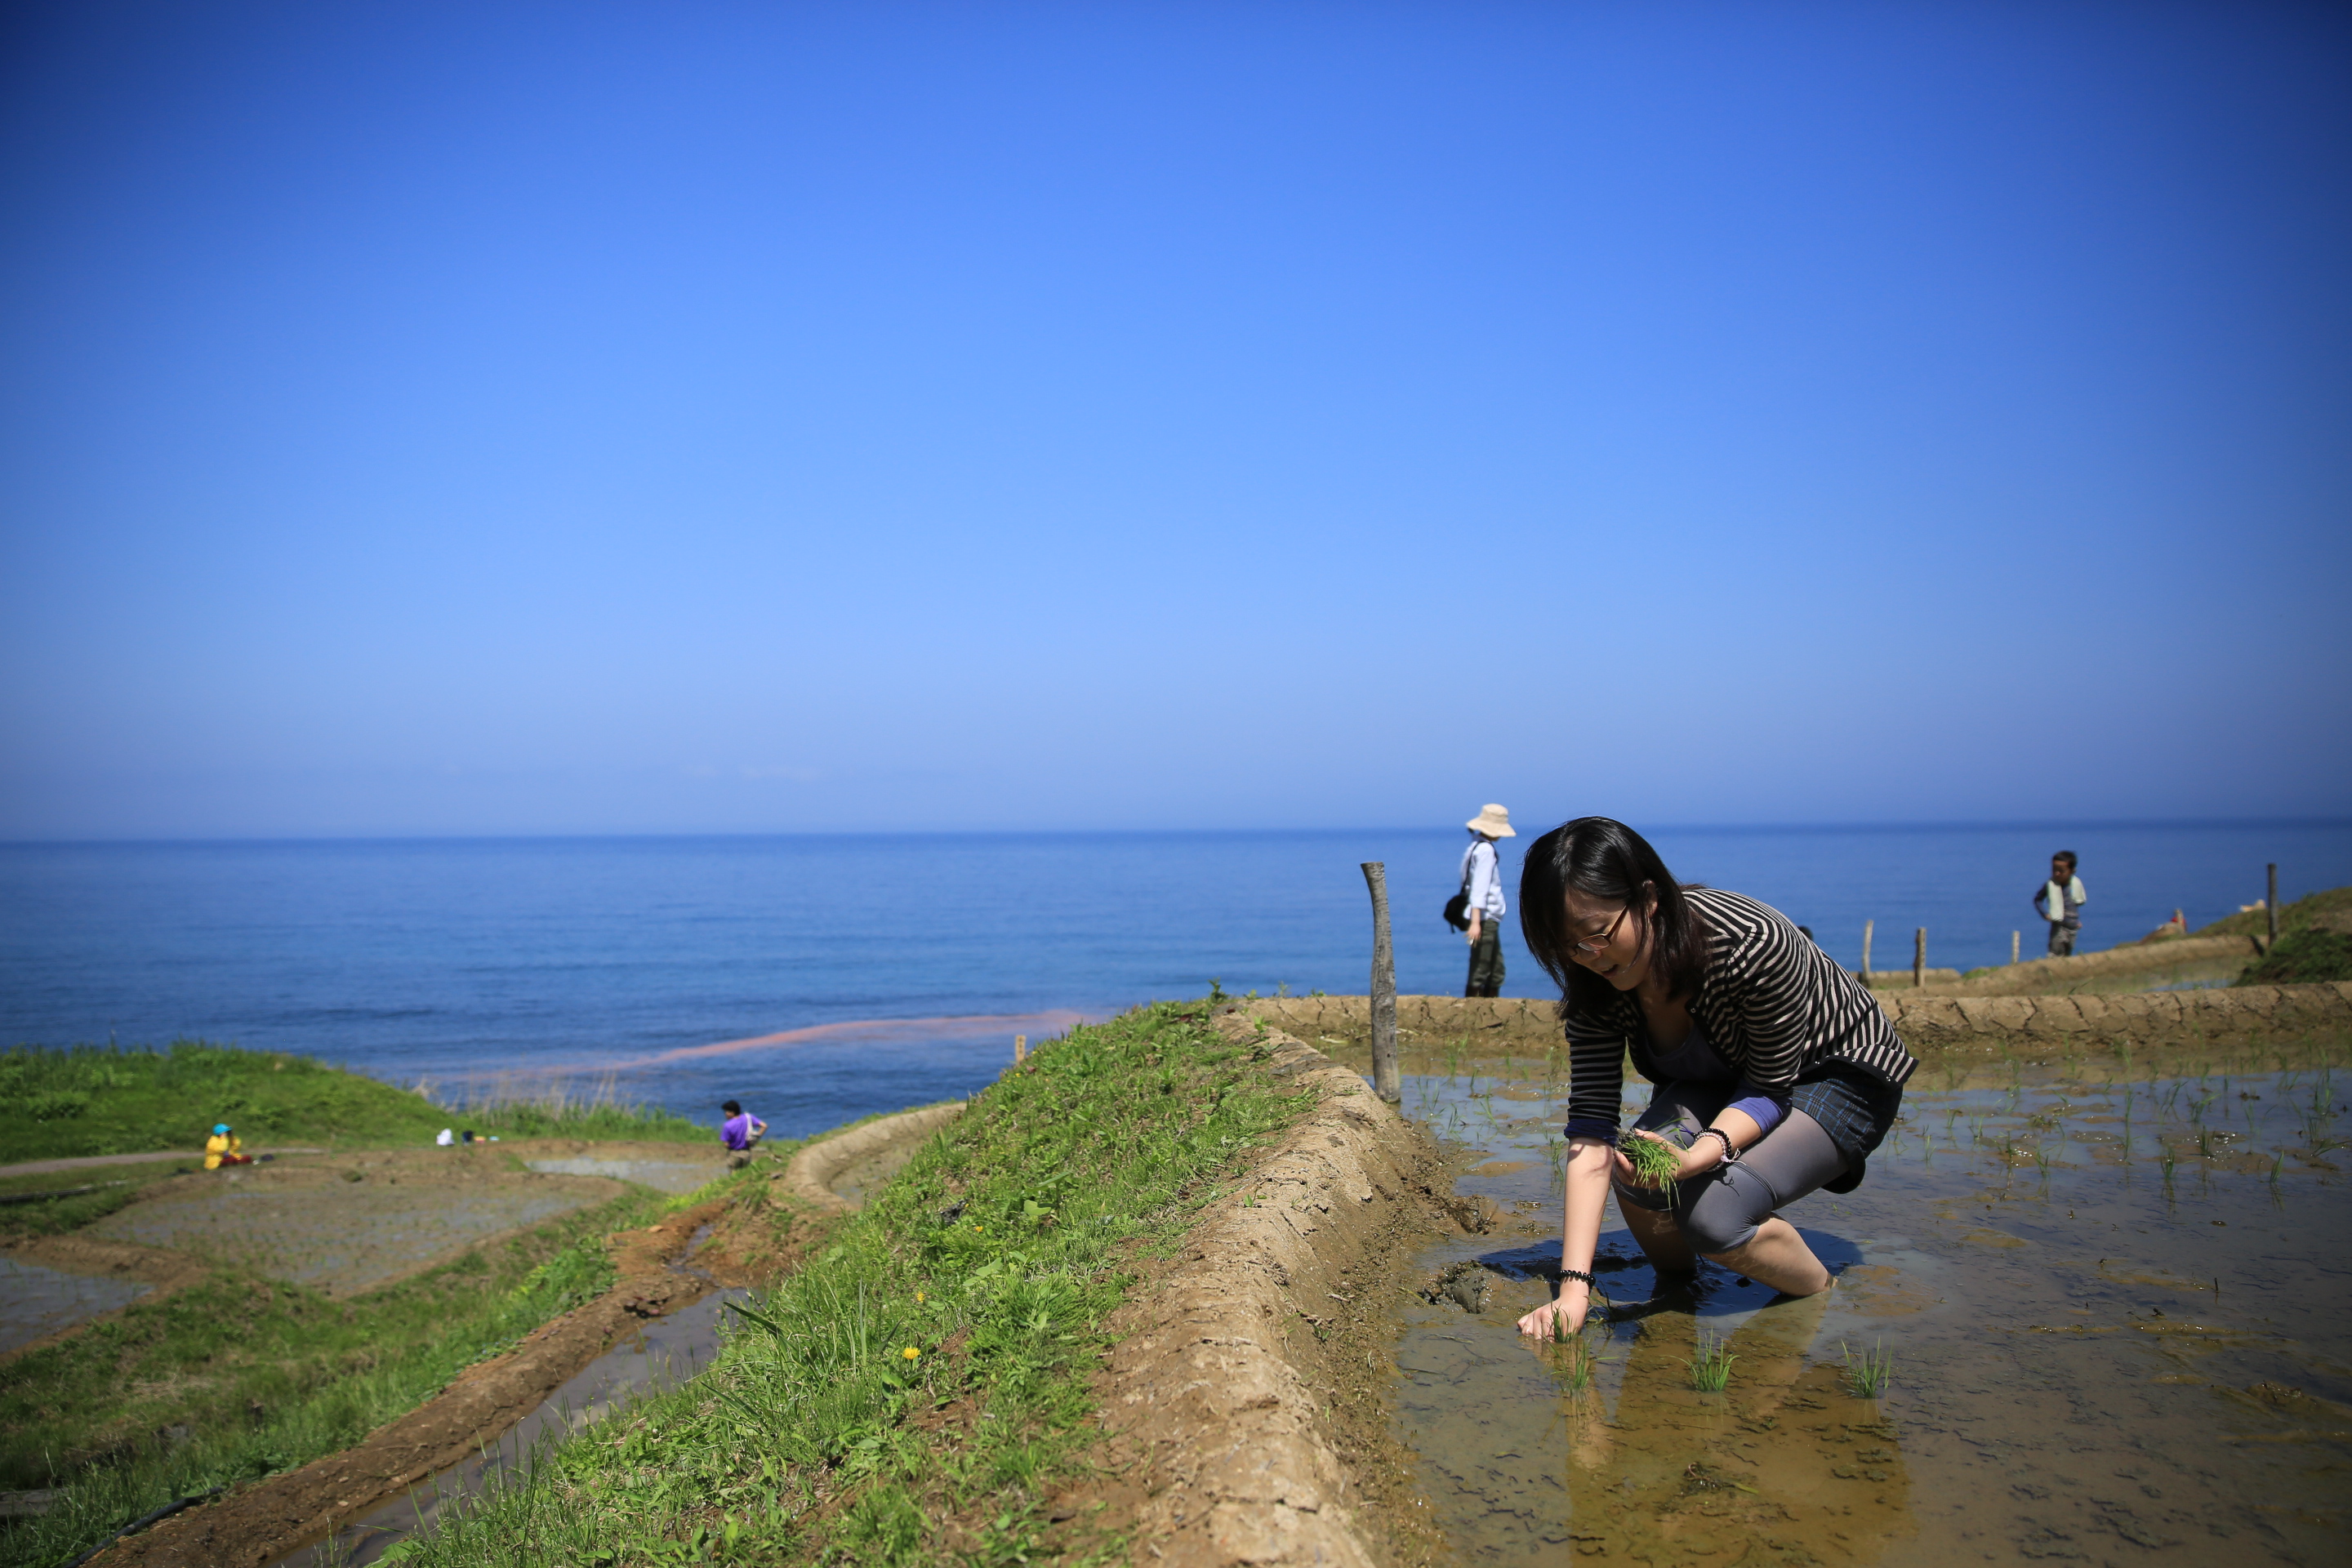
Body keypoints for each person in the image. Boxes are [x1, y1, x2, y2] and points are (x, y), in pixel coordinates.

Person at [1510, 817, 1918, 1340]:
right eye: (1567, 945)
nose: (1588, 957)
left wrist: (1697, 1157)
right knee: (1636, 1167)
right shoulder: (1594, 986)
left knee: (1713, 1215)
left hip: (1832, 1073)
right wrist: (1574, 1291)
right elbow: (1592, 1133)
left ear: (1648, 898)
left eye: (1597, 934)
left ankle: (1818, 1300)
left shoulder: (1750, 944)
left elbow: (1768, 1088)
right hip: (1722, 1075)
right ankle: (1679, 1295)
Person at [1459, 804, 1515, 998]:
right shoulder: (1485, 850)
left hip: (1484, 916)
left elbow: (1466, 880)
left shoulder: (1475, 846)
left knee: (1495, 968)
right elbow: (1480, 888)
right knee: (1482, 966)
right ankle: (1473, 1006)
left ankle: (1488, 1004)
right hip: (1484, 917)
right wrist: (1476, 922)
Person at [2034, 851, 2088, 957]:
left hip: (2073, 927)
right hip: (2059, 926)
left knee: (2068, 954)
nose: (2056, 873)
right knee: (2054, 953)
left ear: (2072, 871)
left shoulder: (2075, 885)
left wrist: (2076, 921)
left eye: (2061, 871)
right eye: (2054, 870)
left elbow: (2074, 906)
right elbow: (2037, 900)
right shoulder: (2050, 885)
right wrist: (2045, 914)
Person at [719, 1100, 768, 1166]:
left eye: (727, 1111)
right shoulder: (748, 1117)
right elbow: (764, 1126)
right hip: (746, 1153)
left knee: (734, 1172)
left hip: (734, 1154)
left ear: (732, 1112)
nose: (725, 1114)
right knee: (745, 1172)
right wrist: (756, 1138)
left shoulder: (727, 1125)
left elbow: (726, 1144)